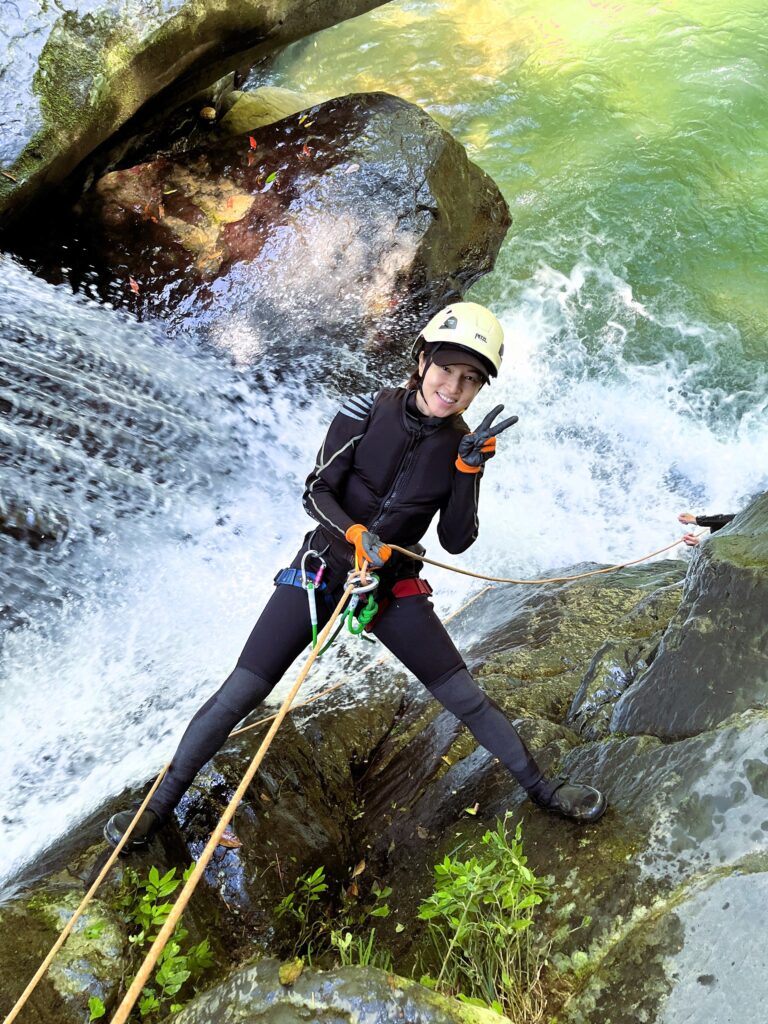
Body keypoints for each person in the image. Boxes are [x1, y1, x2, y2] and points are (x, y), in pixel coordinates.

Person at [105, 302, 606, 850]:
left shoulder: (460, 445)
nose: (453, 387)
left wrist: (468, 471)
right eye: (446, 370)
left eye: (470, 380)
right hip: (322, 569)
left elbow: (456, 540)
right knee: (241, 692)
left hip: (389, 586)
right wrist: (353, 533)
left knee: (466, 698)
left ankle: (544, 789)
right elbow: (315, 490)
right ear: (420, 361)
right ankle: (154, 809)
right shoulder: (365, 412)